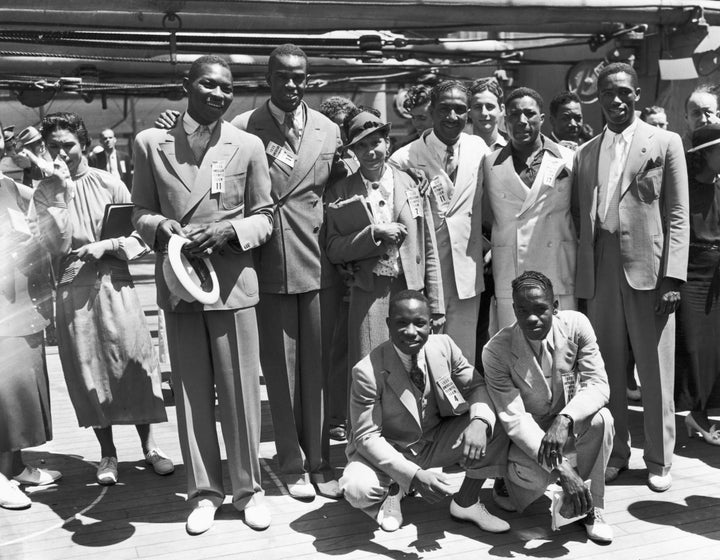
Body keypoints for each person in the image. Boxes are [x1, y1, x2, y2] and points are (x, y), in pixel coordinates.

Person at [153, 45, 345, 500]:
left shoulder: (329, 129)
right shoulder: (244, 128)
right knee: (279, 374)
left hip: (319, 264)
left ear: (309, 79)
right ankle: (292, 463)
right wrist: (169, 125)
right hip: (266, 263)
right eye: (282, 77)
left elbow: (343, 185)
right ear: (268, 80)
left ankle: (320, 461)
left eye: (300, 77)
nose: (292, 85)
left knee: (318, 372)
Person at [132, 55, 274, 534]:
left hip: (233, 285)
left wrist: (230, 231)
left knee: (239, 394)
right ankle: (204, 493)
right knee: (191, 394)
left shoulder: (248, 144)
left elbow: (265, 215)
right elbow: (140, 211)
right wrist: (160, 226)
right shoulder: (151, 143)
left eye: (226, 88)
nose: (218, 94)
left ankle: (248, 489)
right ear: (187, 85)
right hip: (180, 281)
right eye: (208, 84)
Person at [32, 112, 173, 488]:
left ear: (84, 143)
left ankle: (151, 447)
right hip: (72, 292)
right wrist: (60, 192)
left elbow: (141, 237)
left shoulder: (111, 183)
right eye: (53, 147)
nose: (62, 154)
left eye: (69, 146)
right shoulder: (43, 193)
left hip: (116, 284)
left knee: (132, 361)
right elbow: (55, 246)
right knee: (88, 373)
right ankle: (108, 454)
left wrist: (107, 245)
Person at [571, 62, 689, 492]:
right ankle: (616, 452)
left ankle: (659, 459)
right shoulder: (586, 152)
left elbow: (677, 213)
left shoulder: (665, 141)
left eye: (624, 92)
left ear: (637, 94)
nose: (616, 101)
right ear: (597, 98)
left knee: (655, 371)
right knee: (607, 372)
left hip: (650, 273)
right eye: (607, 94)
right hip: (599, 273)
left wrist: (673, 277)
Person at [340, 290, 509, 534]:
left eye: (419, 323)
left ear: (430, 324)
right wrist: (414, 474)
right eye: (401, 323)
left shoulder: (444, 345)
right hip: (391, 448)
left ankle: (466, 502)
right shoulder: (366, 372)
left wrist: (480, 422)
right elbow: (367, 438)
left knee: (497, 422)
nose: (411, 331)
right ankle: (394, 487)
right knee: (357, 489)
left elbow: (476, 385)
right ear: (388, 324)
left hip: (433, 440)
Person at [482, 271, 614, 543]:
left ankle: (593, 507)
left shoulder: (577, 325)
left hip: (565, 424)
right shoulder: (495, 351)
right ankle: (508, 482)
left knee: (603, 419)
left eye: (541, 309)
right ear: (514, 309)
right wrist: (562, 469)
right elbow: (515, 420)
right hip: (530, 436)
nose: (532, 318)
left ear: (555, 307)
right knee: (533, 477)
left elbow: (599, 384)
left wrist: (566, 418)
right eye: (523, 310)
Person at [326, 108, 444, 390]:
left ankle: (412, 431)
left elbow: (428, 245)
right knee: (369, 368)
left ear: (388, 143)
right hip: (369, 290)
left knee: (412, 365)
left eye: (376, 143)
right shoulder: (340, 191)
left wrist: (436, 303)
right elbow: (333, 249)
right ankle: (367, 431)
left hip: (409, 287)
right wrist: (373, 234)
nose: (370, 152)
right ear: (353, 151)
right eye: (362, 146)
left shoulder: (411, 182)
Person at [390, 80, 489, 365]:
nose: (452, 117)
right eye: (444, 109)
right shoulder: (403, 159)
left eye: (460, 110)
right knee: (420, 352)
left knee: (462, 355)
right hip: (424, 272)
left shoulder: (478, 149)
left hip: (467, 271)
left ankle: (458, 409)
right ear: (431, 111)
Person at [0, 122, 60, 509]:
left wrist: (34, 161)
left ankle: (15, 465)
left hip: (22, 299)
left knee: (20, 387)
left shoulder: (9, 185)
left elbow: (50, 192)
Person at [482, 87, 576, 331]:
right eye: (514, 115)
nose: (521, 121)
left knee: (562, 349)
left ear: (542, 119)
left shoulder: (570, 159)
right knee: (516, 352)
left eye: (529, 113)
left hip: (556, 267)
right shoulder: (489, 163)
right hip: (512, 270)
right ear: (505, 120)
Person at [675, 124, 720, 445]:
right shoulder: (682, 188)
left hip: (717, 277)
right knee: (694, 348)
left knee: (716, 349)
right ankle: (696, 413)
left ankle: (706, 414)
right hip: (690, 274)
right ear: (704, 154)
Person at [319, 95, 358, 441]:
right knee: (333, 345)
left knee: (351, 343)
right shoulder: (321, 160)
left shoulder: (357, 159)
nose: (343, 136)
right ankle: (333, 415)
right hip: (325, 259)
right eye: (339, 130)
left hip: (357, 260)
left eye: (347, 128)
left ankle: (351, 412)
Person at [468, 77, 507, 151]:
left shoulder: (512, 151)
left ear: (501, 110)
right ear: (469, 112)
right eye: (478, 107)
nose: (484, 113)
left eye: (490, 107)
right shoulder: (460, 151)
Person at [394, 84, 434, 151]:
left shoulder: (454, 146)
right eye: (413, 117)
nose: (416, 124)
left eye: (422, 118)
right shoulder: (402, 148)